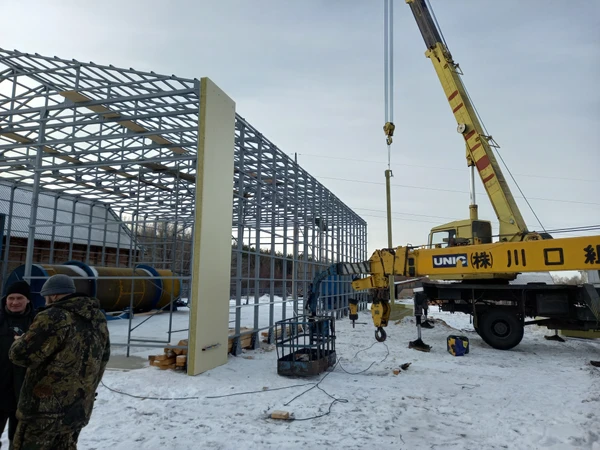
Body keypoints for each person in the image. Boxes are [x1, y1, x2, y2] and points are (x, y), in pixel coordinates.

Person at [9, 274, 110, 450]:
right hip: (77, 409)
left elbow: (21, 355)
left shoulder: (53, 316)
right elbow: (103, 357)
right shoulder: (97, 318)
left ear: (54, 295)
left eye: (46, 296)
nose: (45, 300)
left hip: (43, 411)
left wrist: (21, 339)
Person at [0, 281, 36, 449]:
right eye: (11, 298)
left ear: (28, 300)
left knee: (19, 442)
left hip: (23, 393)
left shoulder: (37, 322)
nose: (15, 302)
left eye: (20, 298)